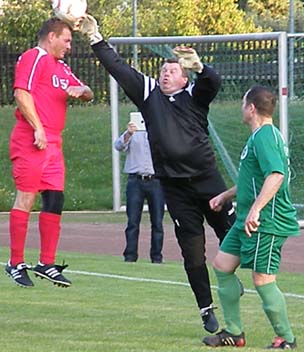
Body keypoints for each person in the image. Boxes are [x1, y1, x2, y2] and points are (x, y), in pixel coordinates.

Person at [75, 15, 237, 334]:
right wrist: (95, 37)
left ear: (183, 78)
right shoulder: (149, 95)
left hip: (208, 184)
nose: (165, 75)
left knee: (234, 238)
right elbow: (119, 68)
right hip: (175, 190)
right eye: (163, 70)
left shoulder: (194, 96)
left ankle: (236, 283)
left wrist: (200, 67)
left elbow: (211, 83)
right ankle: (206, 309)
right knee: (192, 254)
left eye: (173, 70)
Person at [203, 86, 299, 349]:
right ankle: (234, 332)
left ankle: (286, 338)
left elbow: (276, 175)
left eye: (243, 103)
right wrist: (225, 196)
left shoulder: (265, 136)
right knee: (222, 266)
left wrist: (256, 209)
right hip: (247, 218)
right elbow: (252, 180)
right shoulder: (258, 137)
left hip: (266, 221)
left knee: (262, 279)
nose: (241, 108)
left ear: (251, 108)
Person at [5, 17, 94, 288]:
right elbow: (22, 93)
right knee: (26, 199)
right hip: (32, 139)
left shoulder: (62, 67)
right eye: (66, 40)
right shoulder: (35, 57)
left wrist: (83, 91)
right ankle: (15, 263)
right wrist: (37, 128)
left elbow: (88, 92)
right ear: (52, 37)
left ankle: (46, 263)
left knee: (55, 200)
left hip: (53, 144)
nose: (69, 46)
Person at [114, 121, 165, 263]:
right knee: (133, 221)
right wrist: (129, 133)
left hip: (156, 181)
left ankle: (157, 257)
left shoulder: (160, 130)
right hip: (135, 180)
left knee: (157, 222)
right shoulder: (133, 132)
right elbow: (119, 146)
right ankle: (130, 256)